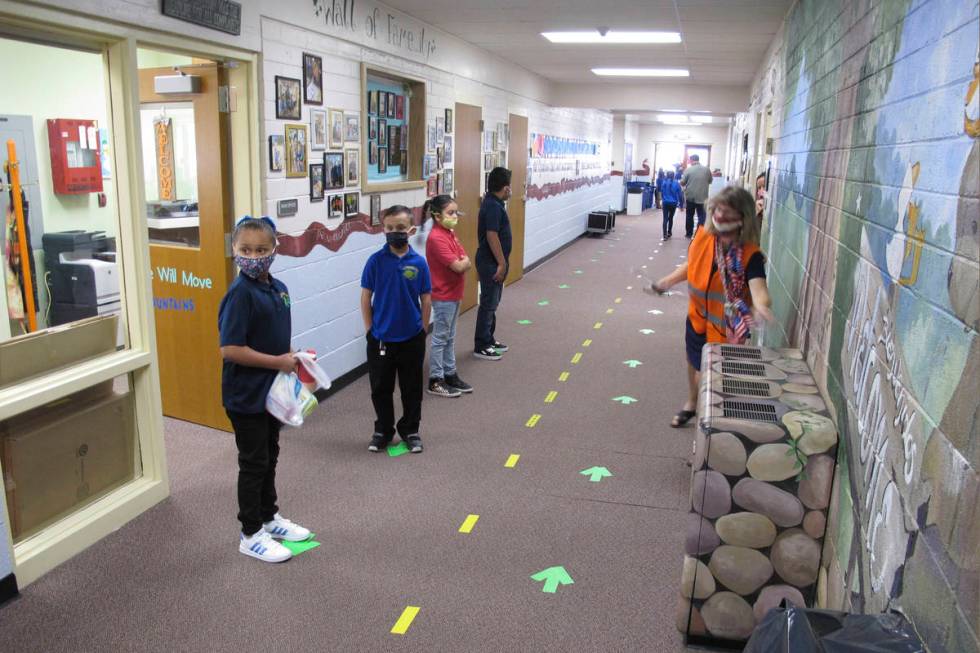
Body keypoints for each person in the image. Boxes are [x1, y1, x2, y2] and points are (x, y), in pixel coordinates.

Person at [219, 216, 311, 564]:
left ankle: (270, 517)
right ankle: (250, 532)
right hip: (245, 396)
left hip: (272, 393)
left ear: (275, 249)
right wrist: (278, 363)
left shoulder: (279, 289)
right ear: (234, 250)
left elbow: (272, 340)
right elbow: (230, 349)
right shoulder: (240, 295)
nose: (253, 256)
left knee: (270, 456)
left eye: (261, 249)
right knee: (253, 462)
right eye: (245, 249)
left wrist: (290, 358)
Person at [650, 186, 773, 428]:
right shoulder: (705, 236)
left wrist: (761, 307)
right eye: (717, 211)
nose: (719, 219)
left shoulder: (750, 255)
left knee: (712, 381)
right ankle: (691, 403)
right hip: (696, 317)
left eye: (727, 214)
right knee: (693, 363)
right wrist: (666, 282)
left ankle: (707, 439)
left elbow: (759, 290)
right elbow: (693, 264)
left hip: (724, 331)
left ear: (742, 219)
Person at [360, 205, 432, 453]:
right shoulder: (375, 261)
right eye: (389, 228)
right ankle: (383, 430)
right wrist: (370, 331)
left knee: (412, 388)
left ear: (410, 230)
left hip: (412, 337)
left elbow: (426, 299)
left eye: (400, 228)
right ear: (383, 230)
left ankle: (411, 430)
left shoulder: (419, 263)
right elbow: (365, 297)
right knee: (381, 388)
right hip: (381, 338)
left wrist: (422, 329)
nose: (394, 232)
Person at [423, 194, 473, 397]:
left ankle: (450, 373)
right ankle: (436, 379)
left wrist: (464, 262)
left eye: (455, 212)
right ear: (436, 215)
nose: (454, 216)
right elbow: (460, 265)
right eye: (450, 213)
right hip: (443, 295)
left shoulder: (449, 233)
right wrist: (464, 262)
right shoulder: (436, 238)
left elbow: (466, 259)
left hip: (454, 293)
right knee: (440, 338)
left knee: (450, 337)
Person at [473, 167, 513, 361]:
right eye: (510, 187)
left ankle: (489, 338)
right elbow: (491, 235)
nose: (511, 191)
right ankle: (481, 344)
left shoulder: (494, 203)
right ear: (505, 188)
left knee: (493, 302)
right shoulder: (493, 207)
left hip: (494, 261)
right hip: (491, 262)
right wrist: (501, 263)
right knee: (488, 303)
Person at [680, 154, 713, 237]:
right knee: (702, 216)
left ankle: (689, 234)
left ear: (691, 160)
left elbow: (682, 182)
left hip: (690, 196)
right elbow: (710, 181)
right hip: (703, 197)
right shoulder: (707, 169)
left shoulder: (688, 170)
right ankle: (699, 234)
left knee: (689, 215)